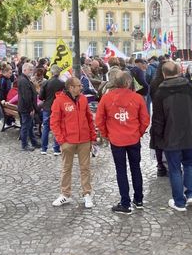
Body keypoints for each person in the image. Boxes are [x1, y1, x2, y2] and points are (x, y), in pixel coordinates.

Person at [151, 61, 192, 211]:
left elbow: (157, 119)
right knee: (189, 165)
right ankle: (190, 195)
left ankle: (179, 201)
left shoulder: (160, 93)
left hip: (171, 137)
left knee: (175, 169)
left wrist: (158, 138)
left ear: (164, 74)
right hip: (191, 133)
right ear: (180, 71)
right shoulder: (191, 88)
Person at [96, 71, 150, 214]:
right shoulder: (137, 98)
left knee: (121, 170)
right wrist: (138, 133)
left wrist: (107, 134)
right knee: (135, 168)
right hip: (133, 138)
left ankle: (125, 202)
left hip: (116, 139)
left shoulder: (107, 98)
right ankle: (138, 199)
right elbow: (145, 119)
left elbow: (99, 120)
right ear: (128, 83)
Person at [50, 77, 97, 209]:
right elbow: (54, 122)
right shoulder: (59, 101)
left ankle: (87, 193)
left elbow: (89, 118)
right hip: (68, 141)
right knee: (66, 168)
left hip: (84, 139)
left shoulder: (82, 99)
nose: (81, 87)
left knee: (85, 168)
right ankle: (65, 194)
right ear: (71, 87)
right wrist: (61, 140)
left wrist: (92, 136)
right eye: (78, 85)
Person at [39, 65, 65, 155]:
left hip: (47, 107)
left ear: (52, 73)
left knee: (46, 127)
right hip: (58, 108)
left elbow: (41, 97)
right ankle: (56, 149)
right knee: (57, 127)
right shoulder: (62, 83)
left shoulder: (46, 83)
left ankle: (44, 149)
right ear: (59, 73)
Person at [149, 60, 168, 177]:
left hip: (157, 114)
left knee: (158, 140)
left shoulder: (154, 82)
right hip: (168, 113)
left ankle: (160, 165)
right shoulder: (166, 82)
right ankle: (168, 164)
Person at [18, 63, 40, 151]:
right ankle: (24, 145)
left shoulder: (25, 79)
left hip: (27, 107)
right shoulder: (23, 80)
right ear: (24, 70)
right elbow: (26, 96)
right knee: (26, 127)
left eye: (32, 69)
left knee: (30, 126)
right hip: (26, 108)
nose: (32, 71)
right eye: (30, 70)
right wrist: (30, 108)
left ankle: (34, 142)